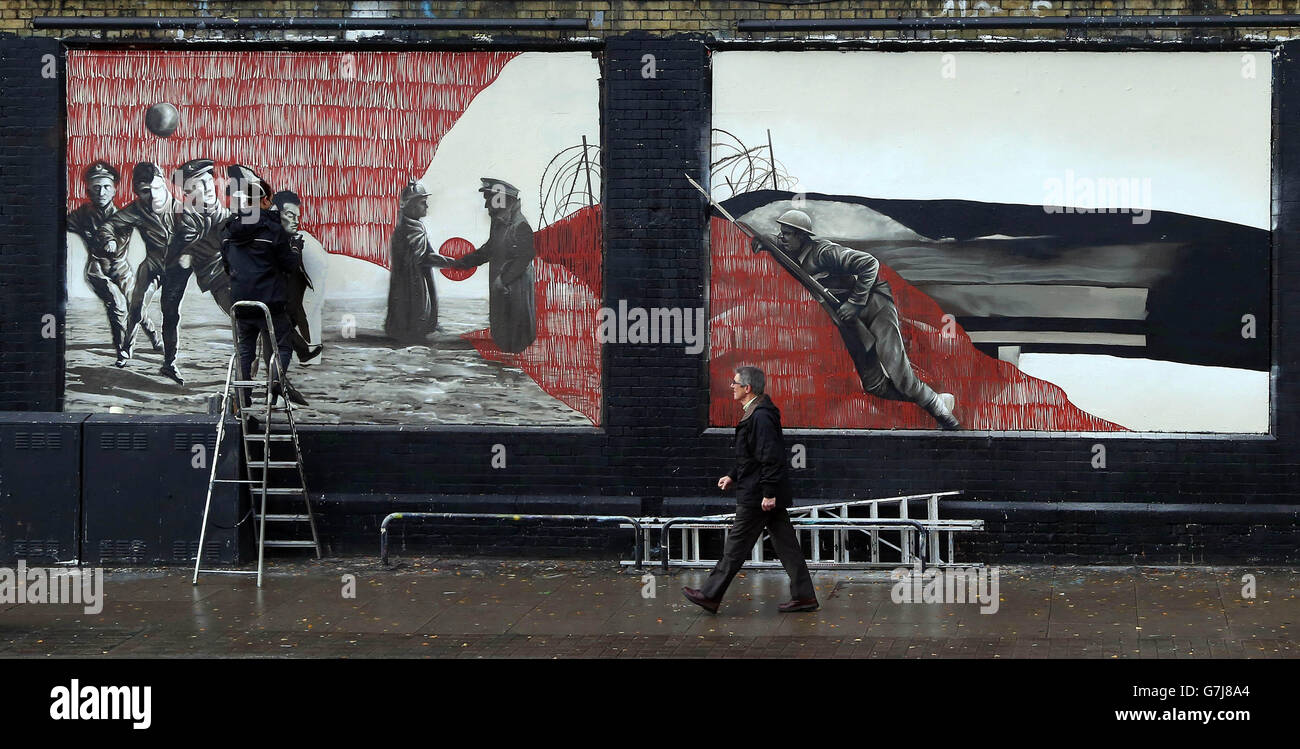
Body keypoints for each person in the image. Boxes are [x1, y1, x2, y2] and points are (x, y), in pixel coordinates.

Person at [748, 209, 959, 430]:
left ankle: (944, 415)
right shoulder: (790, 250)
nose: (782, 238)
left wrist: (855, 303)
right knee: (875, 385)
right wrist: (766, 241)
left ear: (802, 236)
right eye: (781, 233)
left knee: (900, 376)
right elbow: (777, 243)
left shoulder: (824, 253)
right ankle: (936, 400)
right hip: (848, 320)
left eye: (788, 234)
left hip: (874, 308)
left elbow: (869, 263)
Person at [683, 366, 819, 614]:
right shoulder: (755, 412)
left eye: (735, 383)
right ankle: (805, 597)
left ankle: (710, 595)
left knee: (735, 546)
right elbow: (752, 455)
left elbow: (770, 456)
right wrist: (732, 476)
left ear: (748, 388)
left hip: (757, 496)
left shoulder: (761, 416)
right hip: (760, 491)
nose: (731, 387)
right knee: (787, 547)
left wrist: (768, 493)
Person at [220, 165, 302, 411]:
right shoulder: (273, 230)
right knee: (283, 346)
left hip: (240, 304)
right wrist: (296, 249)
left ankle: (242, 400)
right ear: (264, 201)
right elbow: (289, 265)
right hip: (270, 303)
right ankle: (276, 384)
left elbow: (227, 265)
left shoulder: (228, 231)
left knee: (245, 351)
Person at [67, 160, 162, 359]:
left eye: (106, 187)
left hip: (121, 267)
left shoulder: (125, 214)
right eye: (96, 188)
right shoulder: (82, 215)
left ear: (114, 191)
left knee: (135, 305)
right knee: (117, 304)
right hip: (97, 268)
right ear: (88, 191)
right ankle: (122, 350)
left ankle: (155, 338)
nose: (101, 192)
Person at [96, 162, 177, 372]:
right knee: (136, 307)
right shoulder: (136, 210)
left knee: (171, 315)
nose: (151, 196)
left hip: (177, 271)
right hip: (152, 267)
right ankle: (126, 351)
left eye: (156, 189)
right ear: (136, 191)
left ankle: (168, 358)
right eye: (144, 192)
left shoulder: (180, 209)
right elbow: (109, 225)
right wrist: (109, 240)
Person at [162, 158, 234, 385]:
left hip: (212, 271)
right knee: (170, 311)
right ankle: (169, 362)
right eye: (194, 189)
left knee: (238, 311)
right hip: (175, 266)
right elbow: (185, 248)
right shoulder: (185, 218)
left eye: (206, 182)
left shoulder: (225, 213)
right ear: (187, 195)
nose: (204, 191)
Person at [450, 178, 537, 353]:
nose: (486, 207)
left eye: (490, 200)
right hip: (502, 293)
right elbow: (489, 249)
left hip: (515, 293)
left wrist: (503, 280)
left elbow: (524, 257)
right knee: (502, 335)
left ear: (504, 200)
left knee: (516, 338)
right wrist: (462, 263)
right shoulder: (499, 224)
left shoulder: (520, 226)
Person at [384, 180, 453, 343]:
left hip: (415, 279)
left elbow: (427, 253)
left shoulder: (414, 226)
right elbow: (423, 257)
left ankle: (418, 326)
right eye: (423, 203)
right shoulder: (409, 229)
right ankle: (411, 330)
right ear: (411, 205)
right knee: (412, 309)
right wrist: (451, 263)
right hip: (411, 282)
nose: (426, 207)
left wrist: (445, 261)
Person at [272, 190, 325, 365]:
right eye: (290, 215)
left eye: (297, 216)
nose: (296, 221)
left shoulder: (294, 240)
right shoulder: (272, 240)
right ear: (275, 212)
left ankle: (305, 350)